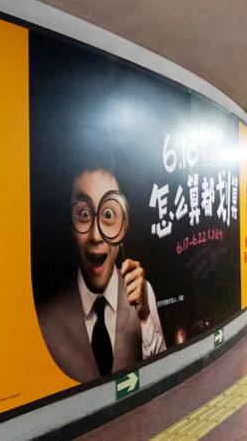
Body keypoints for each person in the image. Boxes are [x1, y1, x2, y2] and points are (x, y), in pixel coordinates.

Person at [36, 157, 167, 382]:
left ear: (124, 225)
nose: (96, 236)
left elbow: (162, 371)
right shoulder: (46, 321)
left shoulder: (144, 292)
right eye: (84, 214)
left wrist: (145, 316)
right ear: (69, 225)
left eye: (108, 215)